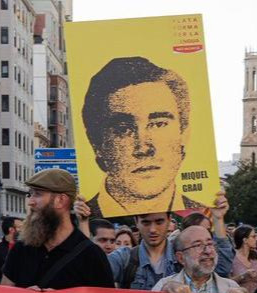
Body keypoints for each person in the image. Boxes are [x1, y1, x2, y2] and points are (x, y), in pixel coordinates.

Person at [82, 57, 203, 217]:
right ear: (97, 144)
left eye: (159, 124)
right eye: (124, 129)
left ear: (184, 133)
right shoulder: (81, 221)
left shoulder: (206, 215)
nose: (144, 148)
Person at [1, 169, 114, 290]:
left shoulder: (91, 255)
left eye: (37, 194)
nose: (30, 202)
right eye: (30, 194)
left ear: (61, 200)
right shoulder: (21, 248)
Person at [152, 225, 248, 293]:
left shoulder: (231, 286)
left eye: (210, 244)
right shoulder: (165, 285)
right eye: (198, 245)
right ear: (181, 258)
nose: (208, 251)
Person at [108, 212, 176, 290]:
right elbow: (95, 276)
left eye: (159, 222)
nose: (152, 230)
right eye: (146, 223)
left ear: (169, 220)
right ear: (136, 222)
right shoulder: (123, 257)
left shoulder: (182, 258)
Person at [230, 226, 257, 293]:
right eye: (253, 236)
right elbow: (225, 282)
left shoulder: (256, 254)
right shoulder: (231, 256)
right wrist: (243, 276)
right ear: (245, 240)